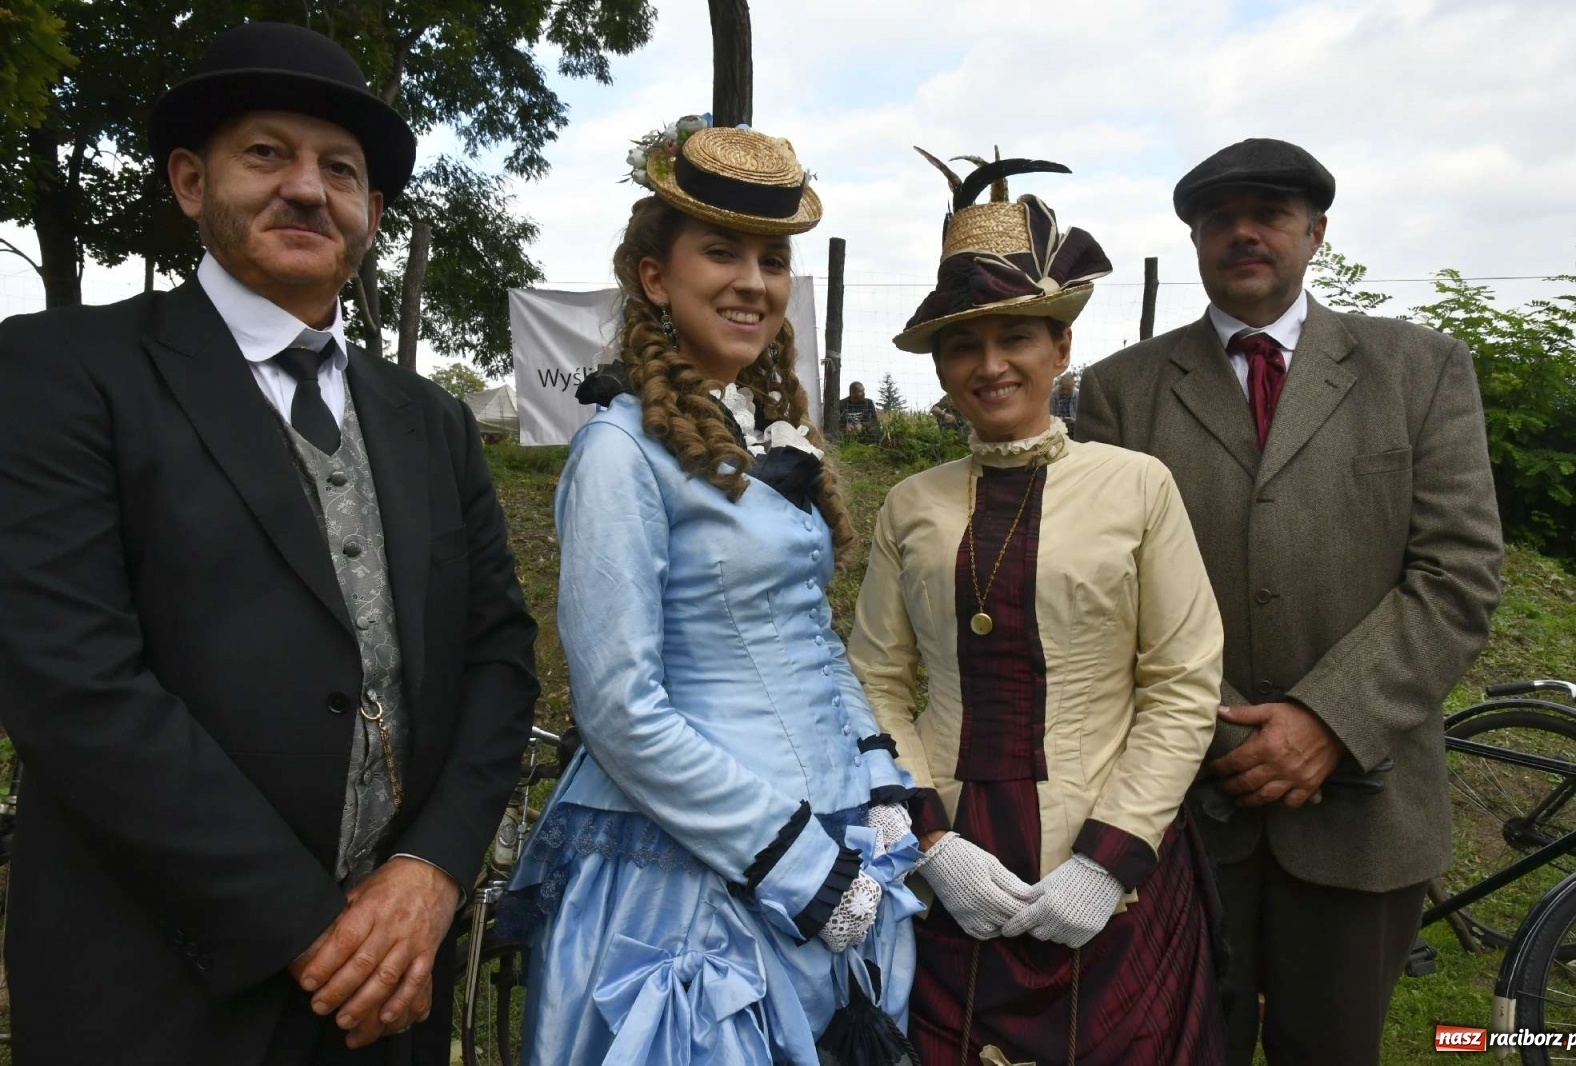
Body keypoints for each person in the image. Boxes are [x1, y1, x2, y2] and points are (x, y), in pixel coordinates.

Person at [0, 23, 540, 1065]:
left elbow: (498, 655)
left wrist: (431, 870)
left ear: (370, 211)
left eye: (340, 170)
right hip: (160, 991)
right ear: (190, 182)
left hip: (391, 992)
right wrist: (309, 927)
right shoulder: (60, 372)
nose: (307, 188)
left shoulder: (431, 420)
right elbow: (71, 679)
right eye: (266, 154)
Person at [1075, 138, 1504, 1066]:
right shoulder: (1120, 392)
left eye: (1269, 214)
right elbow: (1106, 600)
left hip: (1366, 807)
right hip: (1184, 809)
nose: (1244, 233)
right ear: (1195, 241)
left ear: (1316, 233)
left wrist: (1328, 720)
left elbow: (1459, 572)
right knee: (1182, 1047)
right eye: (1219, 219)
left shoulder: (1420, 369)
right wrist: (1227, 736)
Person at [509, 122, 922, 1066]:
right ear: (656, 278)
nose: (753, 282)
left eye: (773, 261)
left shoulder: (766, 440)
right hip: (702, 872)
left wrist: (878, 779)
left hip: (838, 843)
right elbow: (619, 707)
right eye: (722, 253)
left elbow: (811, 637)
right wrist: (797, 862)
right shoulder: (617, 451)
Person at [849, 156, 1227, 1066]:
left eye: (1016, 336)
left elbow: (1182, 684)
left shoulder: (1138, 487)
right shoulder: (911, 503)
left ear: (1060, 349)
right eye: (962, 346)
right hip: (952, 873)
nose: (990, 366)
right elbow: (874, 683)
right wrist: (928, 842)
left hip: (1112, 875)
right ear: (941, 367)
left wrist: (1107, 860)